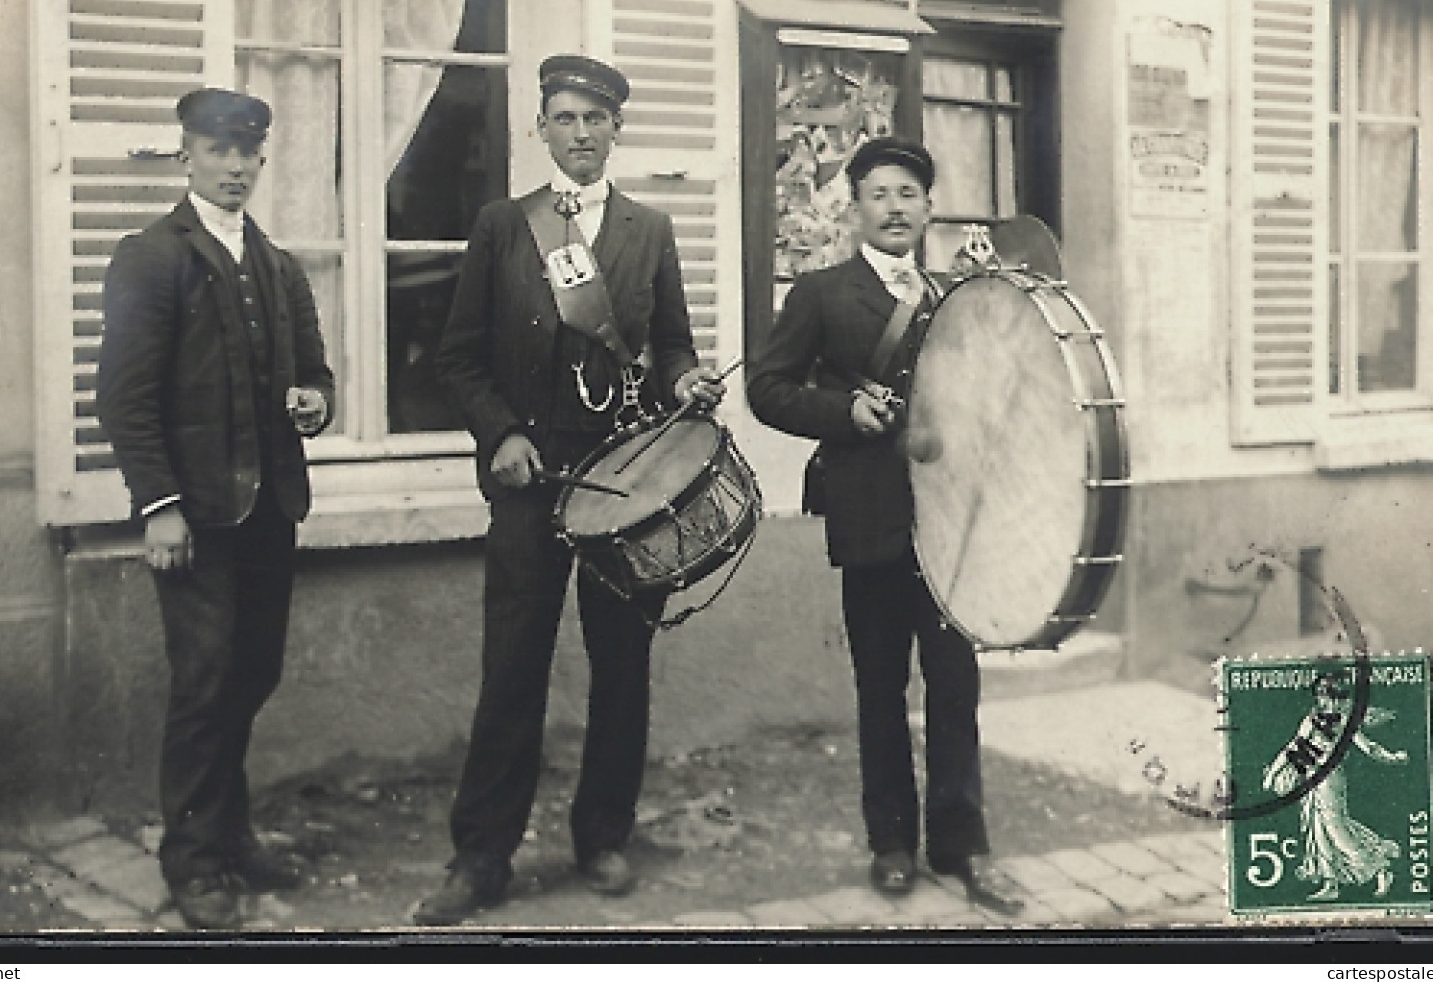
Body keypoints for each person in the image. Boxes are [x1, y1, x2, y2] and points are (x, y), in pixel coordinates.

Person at [420, 54, 726, 926]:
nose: (581, 134)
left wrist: (687, 383)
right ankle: (481, 857)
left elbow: (670, 347)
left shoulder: (649, 228)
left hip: (625, 481)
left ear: (615, 129)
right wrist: (502, 434)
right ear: (542, 128)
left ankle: (602, 836)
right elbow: (457, 356)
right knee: (510, 671)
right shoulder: (501, 226)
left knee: (621, 667)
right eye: (565, 118)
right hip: (530, 482)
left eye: (596, 119)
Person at [746, 136, 1024, 915]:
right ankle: (892, 845)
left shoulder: (955, 293)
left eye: (909, 193)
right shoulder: (821, 293)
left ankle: (963, 845)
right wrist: (842, 411)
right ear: (855, 208)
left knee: (955, 685)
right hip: (868, 514)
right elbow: (767, 388)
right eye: (878, 194)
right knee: (879, 687)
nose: (894, 207)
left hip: (949, 522)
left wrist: (994, 300)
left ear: (929, 207)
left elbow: (993, 391)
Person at [96, 87, 336, 930]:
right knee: (203, 684)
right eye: (216, 150)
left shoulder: (278, 266)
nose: (234, 167)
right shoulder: (151, 257)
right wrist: (158, 505)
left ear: (262, 160)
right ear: (185, 155)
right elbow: (123, 400)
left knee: (250, 673)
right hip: (194, 515)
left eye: (247, 154)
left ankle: (229, 834)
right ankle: (192, 859)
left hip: (270, 509)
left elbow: (317, 373)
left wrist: (314, 400)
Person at [1262, 673, 1407, 901]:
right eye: (1324, 696)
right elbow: (1293, 747)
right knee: (1318, 830)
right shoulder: (1312, 720)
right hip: (1310, 778)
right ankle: (1331, 884)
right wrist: (1272, 773)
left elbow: (1368, 746)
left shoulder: (1343, 721)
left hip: (1330, 779)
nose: (1329, 702)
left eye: (1333, 697)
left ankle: (1380, 867)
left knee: (1336, 830)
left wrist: (1393, 758)